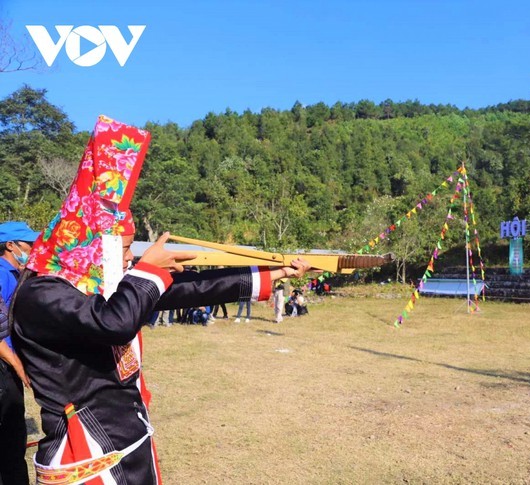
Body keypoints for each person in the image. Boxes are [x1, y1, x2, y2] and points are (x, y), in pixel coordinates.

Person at [11, 116, 311, 485]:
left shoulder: (89, 285)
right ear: (90, 247)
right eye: (121, 250)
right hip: (85, 453)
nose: (126, 260)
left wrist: (277, 273)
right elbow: (114, 322)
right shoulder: (42, 294)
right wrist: (148, 271)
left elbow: (187, 290)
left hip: (128, 438)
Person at [0, 221, 38, 485]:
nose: (33, 249)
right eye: (29, 245)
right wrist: (17, 364)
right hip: (4, 369)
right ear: (11, 246)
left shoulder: (17, 274)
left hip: (10, 368)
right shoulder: (1, 274)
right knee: (9, 441)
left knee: (14, 442)